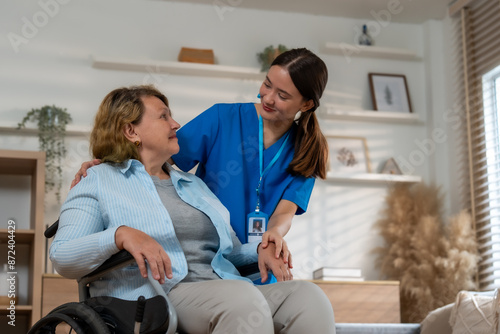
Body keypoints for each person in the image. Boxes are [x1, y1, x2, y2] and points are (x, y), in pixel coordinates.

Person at [51, 85, 336, 333]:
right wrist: (120, 235)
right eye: (163, 116)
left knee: (307, 298)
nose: (175, 124)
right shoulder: (99, 179)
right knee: (240, 299)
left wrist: (262, 249)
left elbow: (227, 251)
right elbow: (62, 255)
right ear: (130, 130)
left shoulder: (193, 185)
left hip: (221, 286)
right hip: (156, 295)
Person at [70, 48, 329, 269]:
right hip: (209, 258)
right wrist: (107, 166)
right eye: (267, 84)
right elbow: (155, 161)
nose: (268, 97)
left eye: (283, 95)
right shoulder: (221, 119)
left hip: (259, 256)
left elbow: (285, 211)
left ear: (306, 105)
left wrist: (274, 234)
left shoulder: (308, 149)